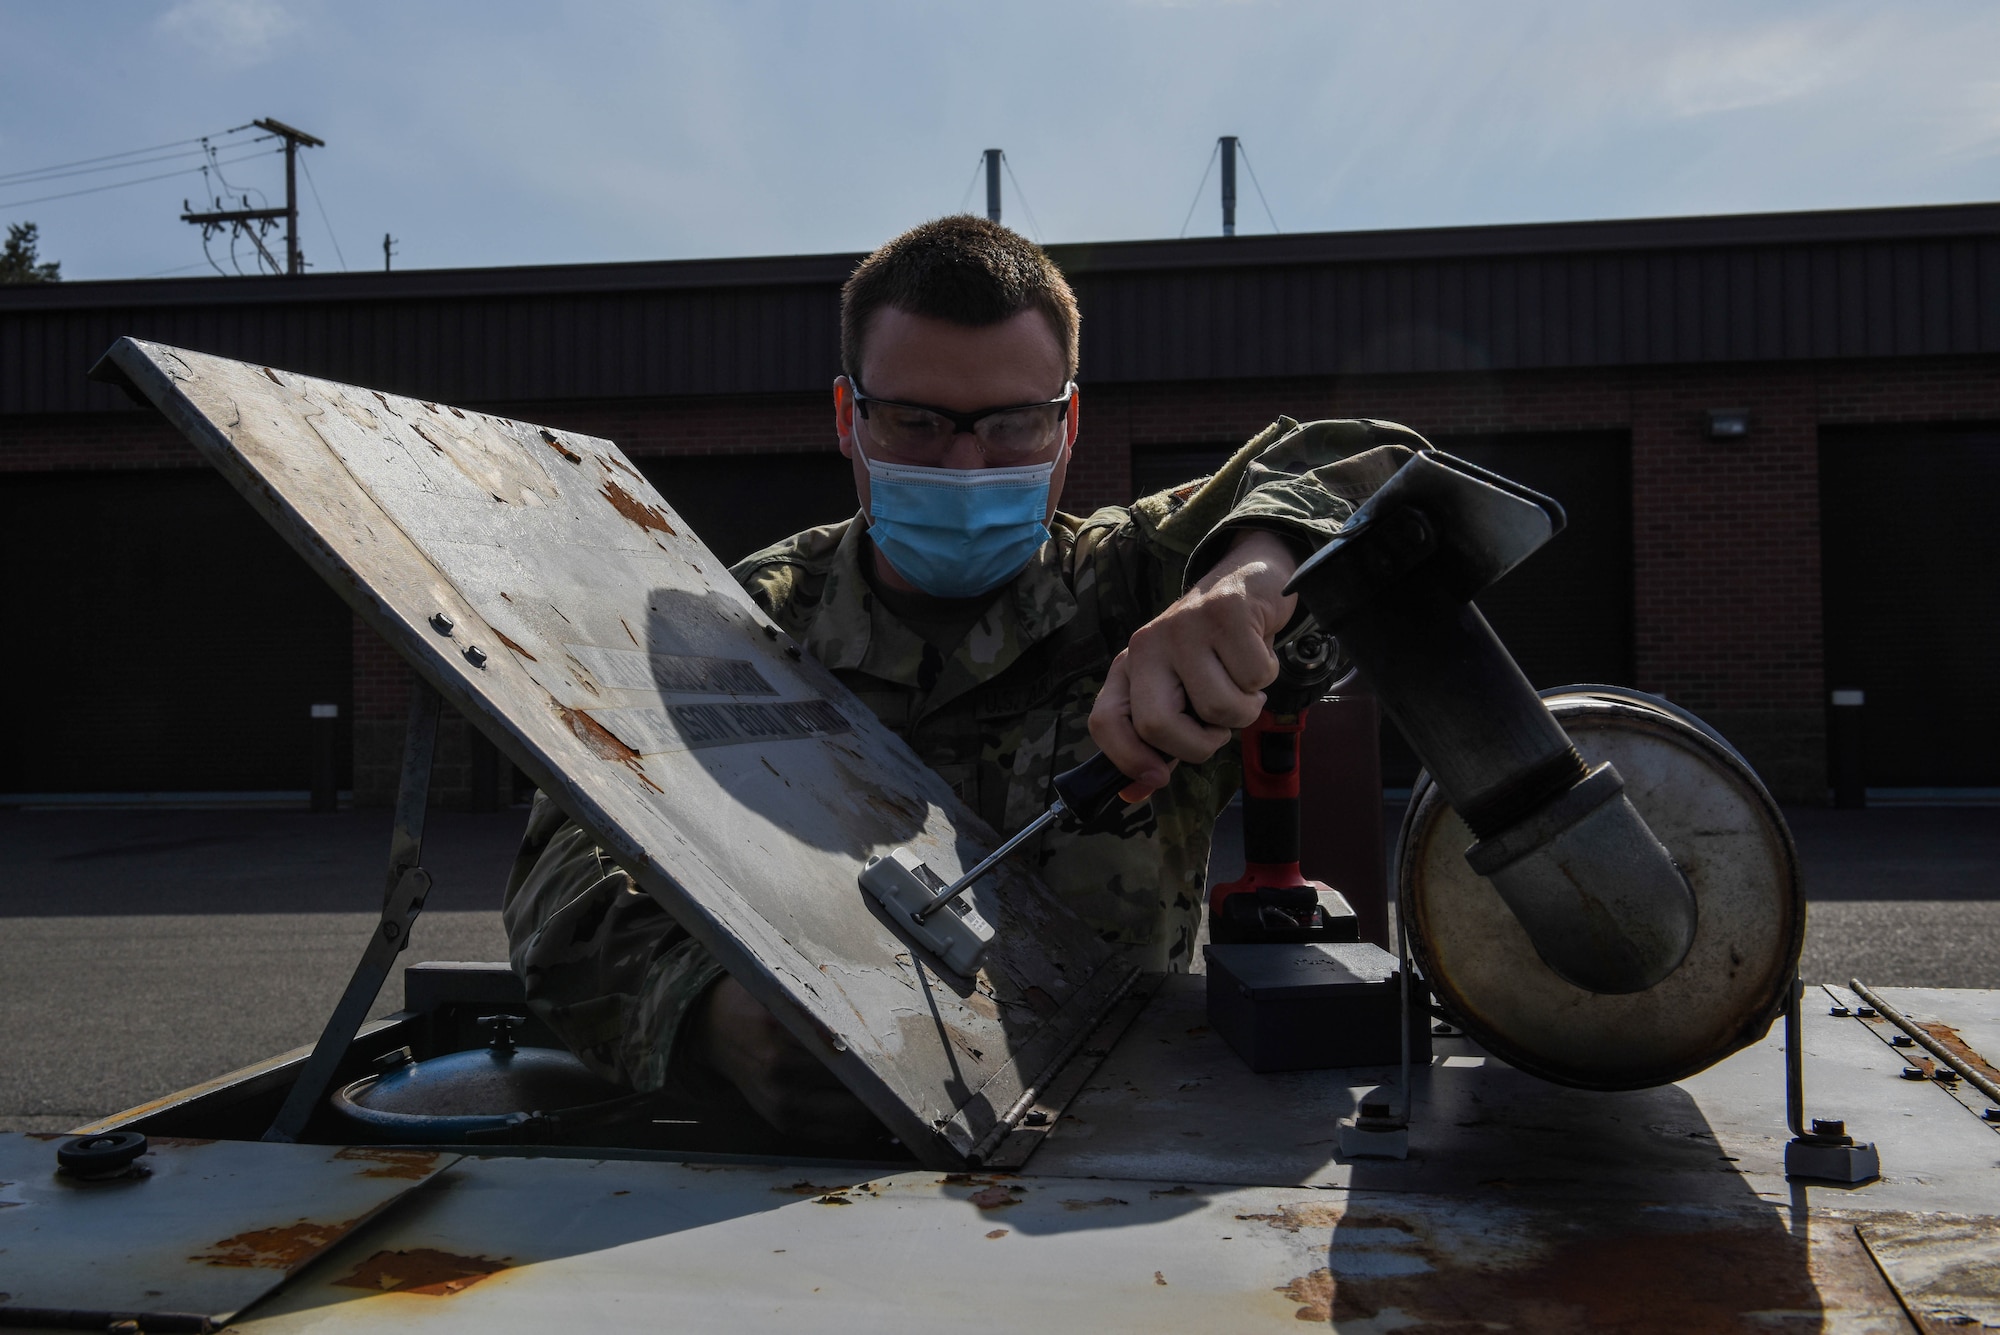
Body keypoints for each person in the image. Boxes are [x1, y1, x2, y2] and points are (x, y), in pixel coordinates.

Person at [503, 214, 1428, 1139]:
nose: (965, 464)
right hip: (802, 1168)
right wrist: (707, 1016)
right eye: (915, 422)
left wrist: (1254, 570)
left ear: (1069, 423)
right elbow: (568, 863)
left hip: (1112, 1145)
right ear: (846, 419)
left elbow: (1384, 472)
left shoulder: (1135, 579)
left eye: (1014, 423)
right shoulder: (750, 621)